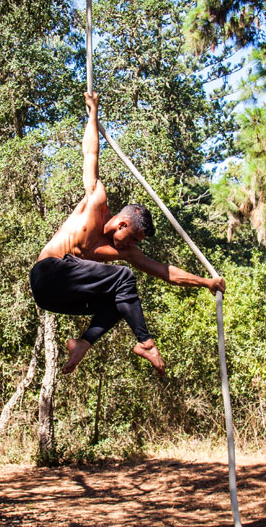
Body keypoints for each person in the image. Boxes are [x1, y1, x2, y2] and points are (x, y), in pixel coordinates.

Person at [30, 92, 225, 376]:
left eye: (135, 243)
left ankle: (83, 344)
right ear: (122, 224)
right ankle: (145, 343)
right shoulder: (95, 203)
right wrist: (93, 115)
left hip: (53, 298)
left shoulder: (124, 251)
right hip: (47, 275)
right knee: (123, 277)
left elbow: (164, 271)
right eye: (132, 237)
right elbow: (90, 155)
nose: (131, 245)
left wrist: (205, 282)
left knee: (118, 302)